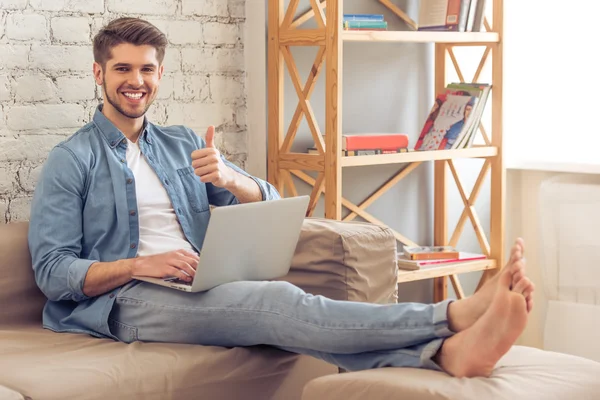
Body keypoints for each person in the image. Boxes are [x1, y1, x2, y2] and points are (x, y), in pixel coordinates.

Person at [28, 17, 535, 379]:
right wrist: (144, 265)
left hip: (199, 281)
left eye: (146, 70)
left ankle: (447, 357)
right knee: (277, 303)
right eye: (122, 70)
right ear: (100, 75)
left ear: (159, 75)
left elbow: (268, 200)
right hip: (123, 302)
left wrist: (229, 178)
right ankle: (449, 318)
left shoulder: (182, 143)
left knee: (277, 314)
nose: (135, 82)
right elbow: (53, 271)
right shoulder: (72, 160)